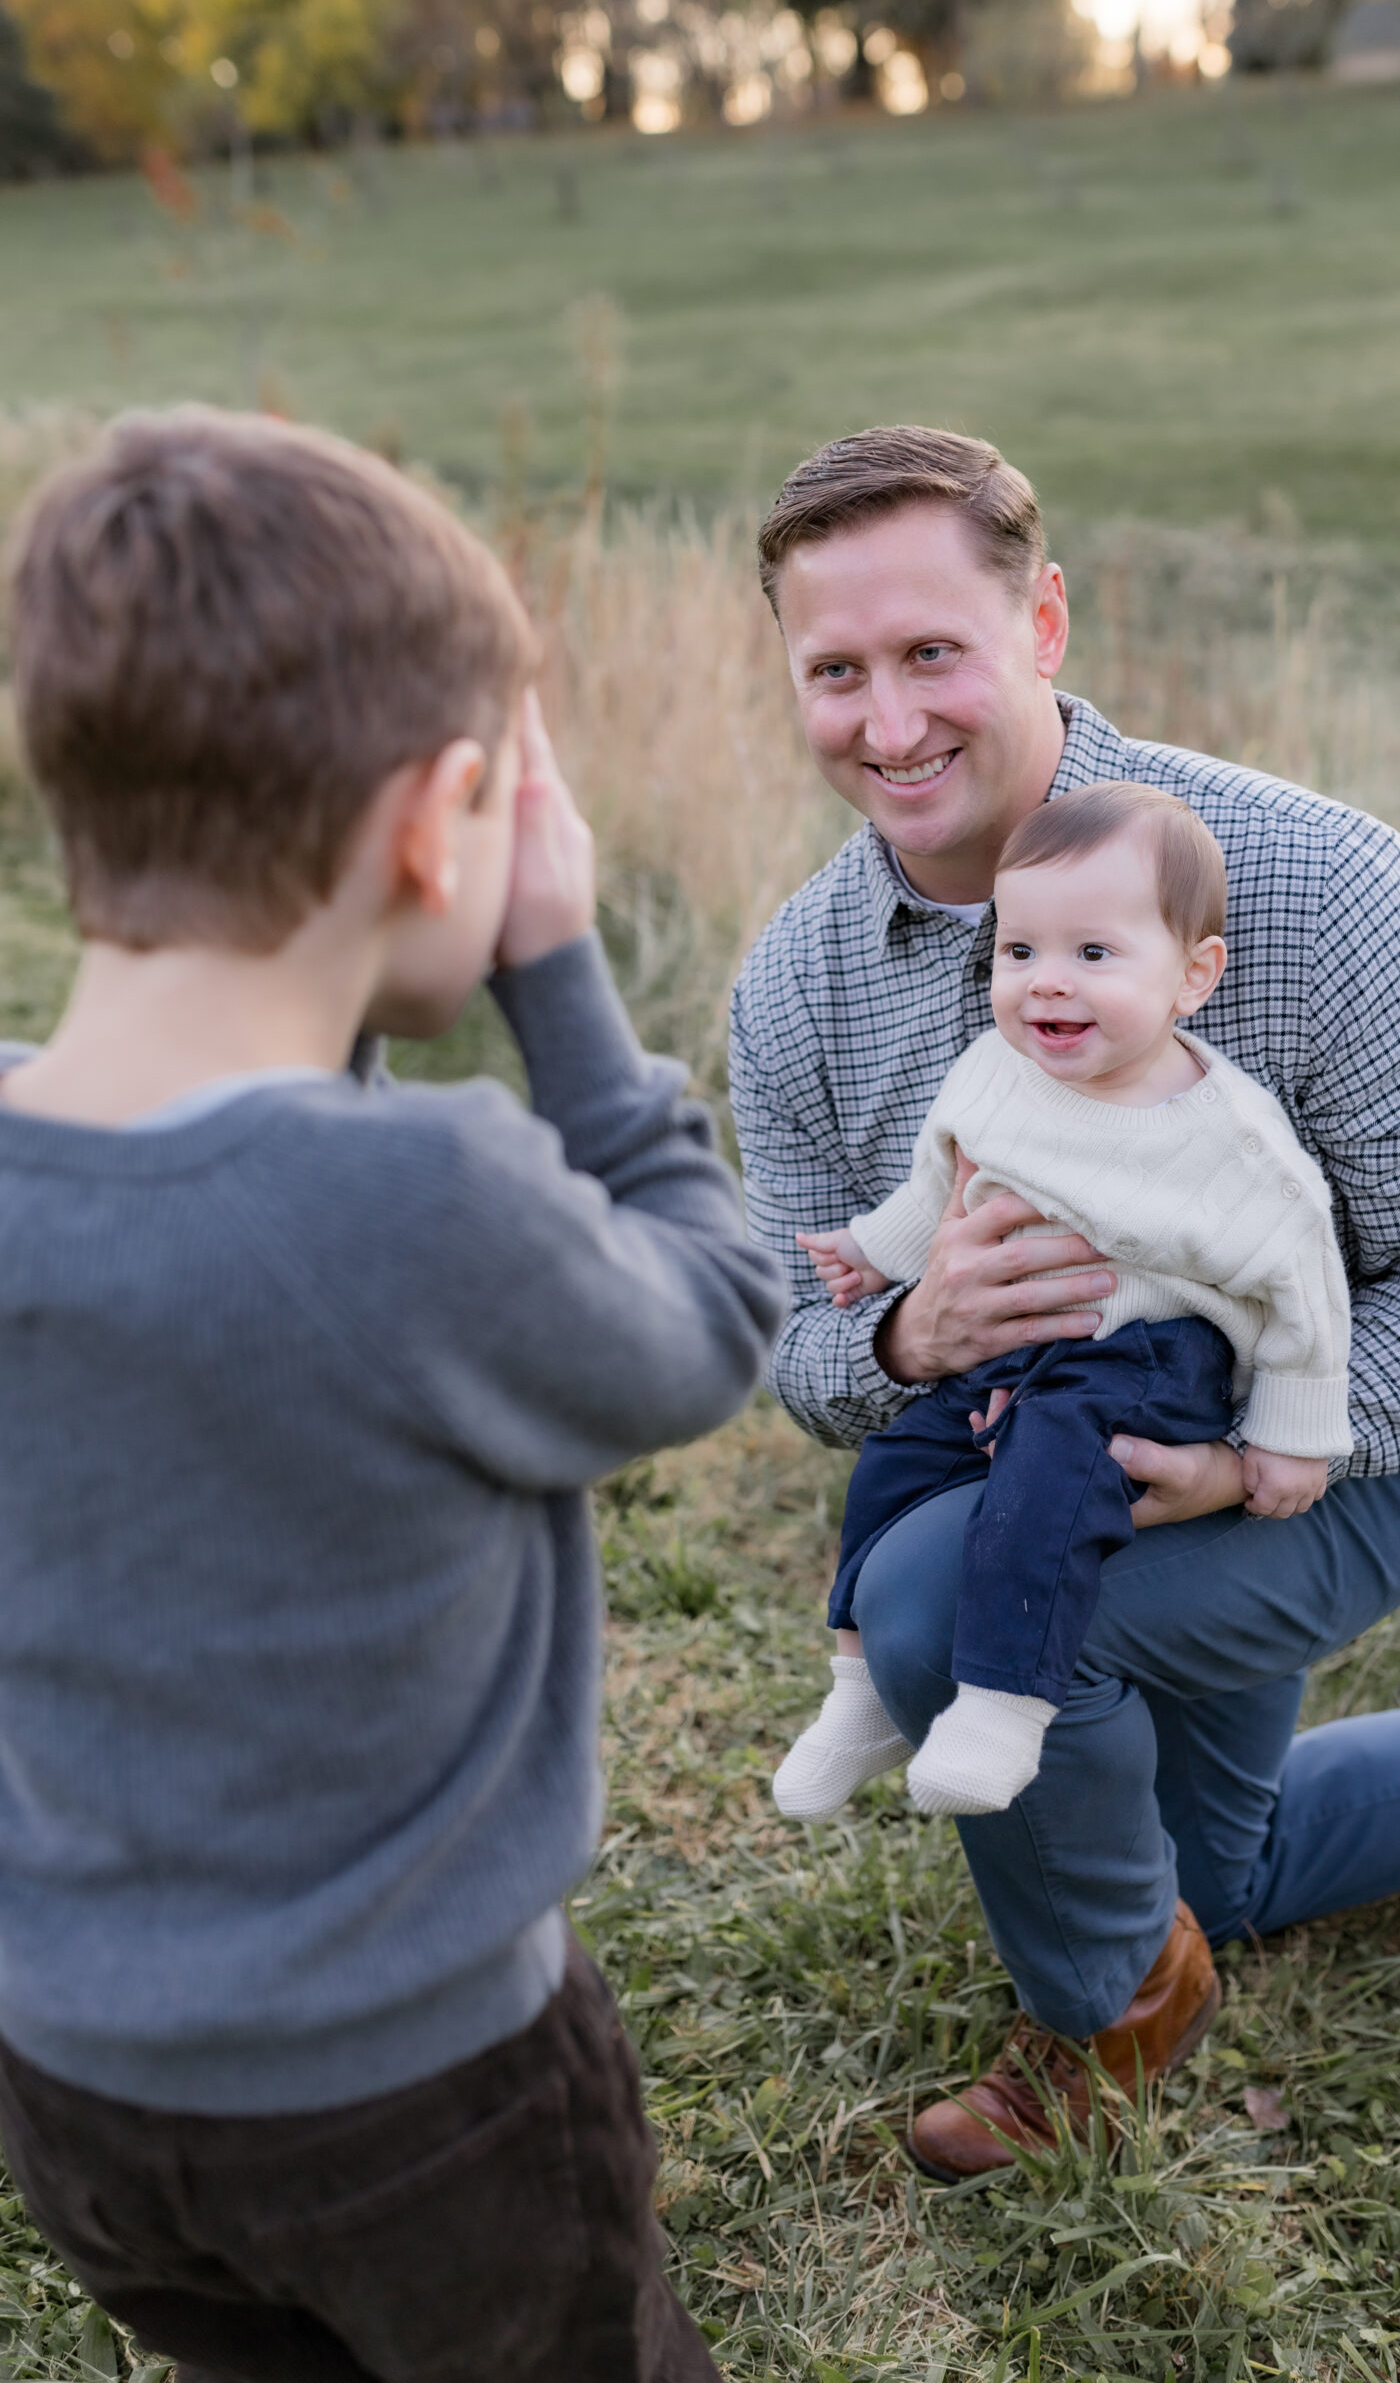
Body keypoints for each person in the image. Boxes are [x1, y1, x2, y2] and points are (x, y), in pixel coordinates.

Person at [728, 423, 1400, 2182]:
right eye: (835, 672)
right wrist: (902, 1338)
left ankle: (1105, 2008)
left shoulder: (1312, 881)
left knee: (951, 1603)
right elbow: (793, 1340)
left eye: (931, 653)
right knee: (1219, 1871)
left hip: (1333, 1451)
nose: (888, 727)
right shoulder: (793, 981)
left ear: (1041, 625)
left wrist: (1249, 1454)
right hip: (1010, 1433)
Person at [0, 409, 786, 2381]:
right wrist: (563, 981)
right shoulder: (425, 1201)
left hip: (74, 2079)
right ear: (444, 823)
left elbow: (219, 1187)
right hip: (428, 2100)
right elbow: (710, 1306)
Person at [774, 779, 1352, 1828]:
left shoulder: (1232, 1139)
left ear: (1194, 975)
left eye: (1094, 955)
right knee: (897, 1457)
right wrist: (873, 1255)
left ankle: (1004, 1701)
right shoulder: (999, 1070)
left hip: (1146, 1352)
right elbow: (943, 1181)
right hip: (1009, 1341)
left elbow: (1303, 1288)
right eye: (1021, 951)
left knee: (1051, 1469)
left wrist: (1290, 1438)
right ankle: (859, 1689)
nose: (1048, 984)